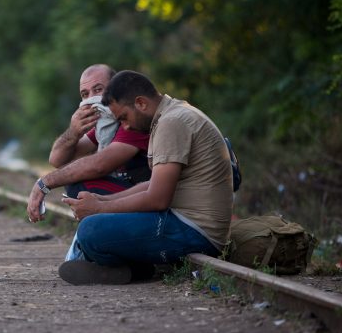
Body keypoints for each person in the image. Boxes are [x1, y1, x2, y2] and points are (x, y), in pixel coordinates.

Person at [58, 70, 233, 285]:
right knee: (95, 221)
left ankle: (137, 269)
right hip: (186, 221)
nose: (125, 127)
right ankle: (131, 268)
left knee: (91, 230)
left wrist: (99, 209)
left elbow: (158, 199)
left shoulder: (172, 123)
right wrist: (102, 200)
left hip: (196, 231)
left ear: (141, 103)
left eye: (123, 118)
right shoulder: (170, 115)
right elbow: (152, 184)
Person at [26, 64, 150, 223]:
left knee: (79, 185)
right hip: (130, 190)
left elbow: (99, 165)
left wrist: (44, 183)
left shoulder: (132, 119)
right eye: (85, 94)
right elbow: (57, 159)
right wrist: (73, 132)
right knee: (74, 181)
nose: (91, 99)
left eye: (98, 90)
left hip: (148, 194)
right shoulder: (106, 124)